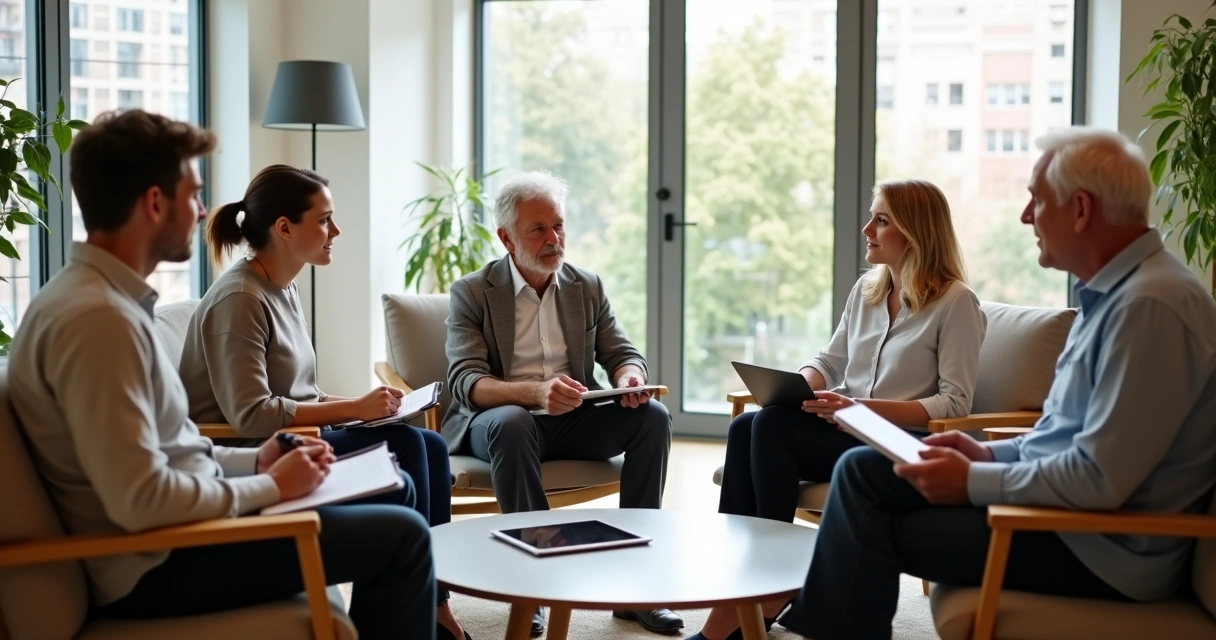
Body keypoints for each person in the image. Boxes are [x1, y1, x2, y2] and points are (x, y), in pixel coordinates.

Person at [7, 110, 436, 640]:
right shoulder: (99, 321)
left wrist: (257, 457)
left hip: (179, 537)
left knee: (401, 498)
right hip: (158, 564)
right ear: (154, 203)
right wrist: (267, 487)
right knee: (402, 536)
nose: (204, 210)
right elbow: (141, 501)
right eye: (193, 193)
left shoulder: (102, 304)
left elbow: (170, 450)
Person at [776, 127, 1216, 640]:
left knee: (872, 513)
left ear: (1079, 209)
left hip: (1101, 550)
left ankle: (823, 622)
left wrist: (973, 480)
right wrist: (987, 456)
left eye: (1036, 200)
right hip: (1069, 521)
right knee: (862, 471)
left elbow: (1101, 480)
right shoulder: (1116, 298)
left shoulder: (1148, 309)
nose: (1027, 216)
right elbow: (1065, 438)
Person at [177, 164, 467, 640]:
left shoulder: (283, 284)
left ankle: (432, 602)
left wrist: (365, 403)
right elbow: (252, 415)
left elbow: (300, 393)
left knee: (430, 447)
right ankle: (413, 615)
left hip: (299, 432)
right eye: (325, 219)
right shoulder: (240, 300)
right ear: (285, 228)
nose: (336, 231)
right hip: (264, 447)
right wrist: (354, 410)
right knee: (410, 450)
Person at [689, 178, 986, 640]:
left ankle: (771, 586)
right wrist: (801, 385)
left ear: (916, 232)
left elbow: (954, 402)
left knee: (768, 427)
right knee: (748, 425)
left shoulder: (956, 303)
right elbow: (829, 361)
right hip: (846, 427)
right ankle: (743, 587)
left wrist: (859, 407)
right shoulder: (868, 289)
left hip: (899, 442)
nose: (867, 227)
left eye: (882, 220)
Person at [443, 170, 680, 636]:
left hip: (573, 419)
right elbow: (465, 380)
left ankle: (638, 590)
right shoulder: (472, 291)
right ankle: (531, 589)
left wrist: (629, 377)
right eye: (538, 229)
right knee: (513, 422)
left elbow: (622, 352)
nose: (554, 239)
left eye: (559, 225)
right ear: (507, 239)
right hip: (498, 423)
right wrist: (535, 392)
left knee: (652, 416)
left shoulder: (584, 285)